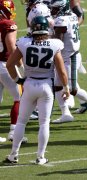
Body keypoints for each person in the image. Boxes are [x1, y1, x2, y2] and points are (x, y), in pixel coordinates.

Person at [4, 15, 70, 164]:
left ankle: (13, 155)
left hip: (29, 84)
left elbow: (10, 64)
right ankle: (40, 157)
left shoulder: (24, 43)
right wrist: (66, 87)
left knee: (21, 122)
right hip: (46, 85)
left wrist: (17, 79)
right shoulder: (55, 44)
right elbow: (62, 71)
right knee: (44, 123)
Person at [50, 0, 87, 124]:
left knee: (72, 89)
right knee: (57, 86)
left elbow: (58, 43)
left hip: (69, 56)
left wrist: (45, 38)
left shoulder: (61, 20)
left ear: (62, 8)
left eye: (56, 9)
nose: (52, 11)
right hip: (67, 54)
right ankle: (66, 113)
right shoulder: (72, 16)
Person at [0, 0, 28, 143]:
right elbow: (11, 48)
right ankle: (14, 132)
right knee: (20, 97)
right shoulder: (7, 24)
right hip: (6, 65)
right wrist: (21, 65)